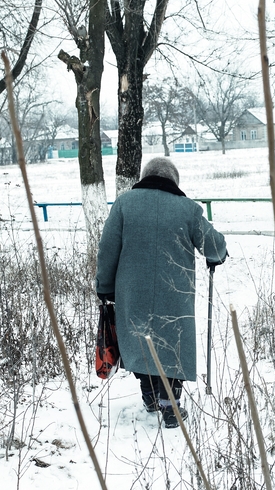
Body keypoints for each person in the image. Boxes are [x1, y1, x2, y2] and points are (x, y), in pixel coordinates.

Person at [95, 157, 228, 428]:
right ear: (173, 181)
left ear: (145, 177)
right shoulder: (187, 209)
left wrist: (104, 287)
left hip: (133, 293)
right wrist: (217, 255)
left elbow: (107, 250)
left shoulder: (124, 204)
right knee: (171, 344)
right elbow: (214, 244)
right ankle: (170, 403)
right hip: (174, 295)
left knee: (140, 341)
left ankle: (150, 393)